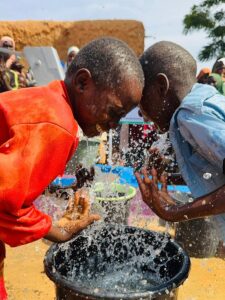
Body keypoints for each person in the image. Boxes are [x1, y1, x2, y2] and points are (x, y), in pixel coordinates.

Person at [0, 37, 144, 299]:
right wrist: (57, 231)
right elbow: (3, 202)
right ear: (82, 82)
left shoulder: (46, 100)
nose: (114, 125)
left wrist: (54, 189)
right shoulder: (58, 125)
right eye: (113, 112)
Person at [135, 41, 225, 225]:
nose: (140, 112)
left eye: (141, 98)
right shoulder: (206, 97)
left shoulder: (189, 115)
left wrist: (172, 212)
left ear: (161, 86)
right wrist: (172, 177)